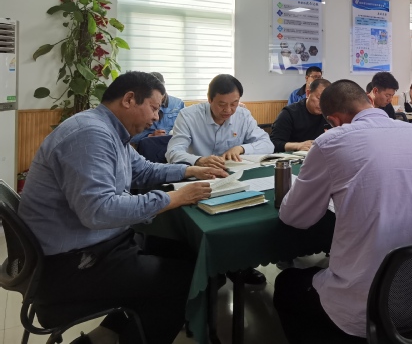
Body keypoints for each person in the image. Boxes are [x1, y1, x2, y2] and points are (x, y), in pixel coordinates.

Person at [17, 72, 227, 344]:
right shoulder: (90, 134)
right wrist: (174, 198)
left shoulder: (109, 131)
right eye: (154, 108)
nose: (157, 118)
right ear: (129, 99)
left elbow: (143, 170)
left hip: (94, 246)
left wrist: (189, 170)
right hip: (69, 265)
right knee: (189, 278)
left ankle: (109, 334)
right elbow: (99, 211)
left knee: (187, 252)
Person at [274, 80, 412, 342]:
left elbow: (296, 217)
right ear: (370, 101)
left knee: (286, 284)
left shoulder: (331, 142)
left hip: (362, 311)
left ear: (334, 121)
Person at [166, 73, 274, 285]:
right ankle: (212, 268)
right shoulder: (188, 116)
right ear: (209, 100)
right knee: (210, 223)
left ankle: (240, 265)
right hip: (197, 180)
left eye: (234, 103)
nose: (228, 110)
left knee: (244, 217)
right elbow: (173, 152)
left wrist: (242, 148)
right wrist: (199, 160)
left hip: (233, 178)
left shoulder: (242, 115)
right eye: (222, 104)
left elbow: (267, 144)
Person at [271, 78, 331, 153]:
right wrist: (298, 146)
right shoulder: (289, 113)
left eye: (327, 100)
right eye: (319, 98)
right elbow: (274, 143)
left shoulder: (330, 114)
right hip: (292, 157)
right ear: (308, 93)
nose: (323, 104)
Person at [130, 72, 184, 145]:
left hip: (173, 144)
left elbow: (188, 128)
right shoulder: (140, 104)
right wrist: (149, 136)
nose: (156, 117)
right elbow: (131, 135)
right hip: (149, 145)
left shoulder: (178, 104)